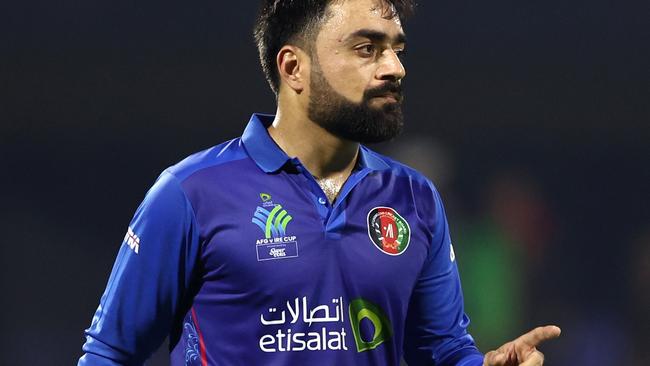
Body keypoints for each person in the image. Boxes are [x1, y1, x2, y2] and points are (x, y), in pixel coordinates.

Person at [78, 1, 560, 365]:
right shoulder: (189, 194)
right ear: (293, 68)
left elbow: (443, 351)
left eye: (397, 49)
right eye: (367, 48)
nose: (395, 68)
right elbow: (109, 354)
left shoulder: (414, 198)